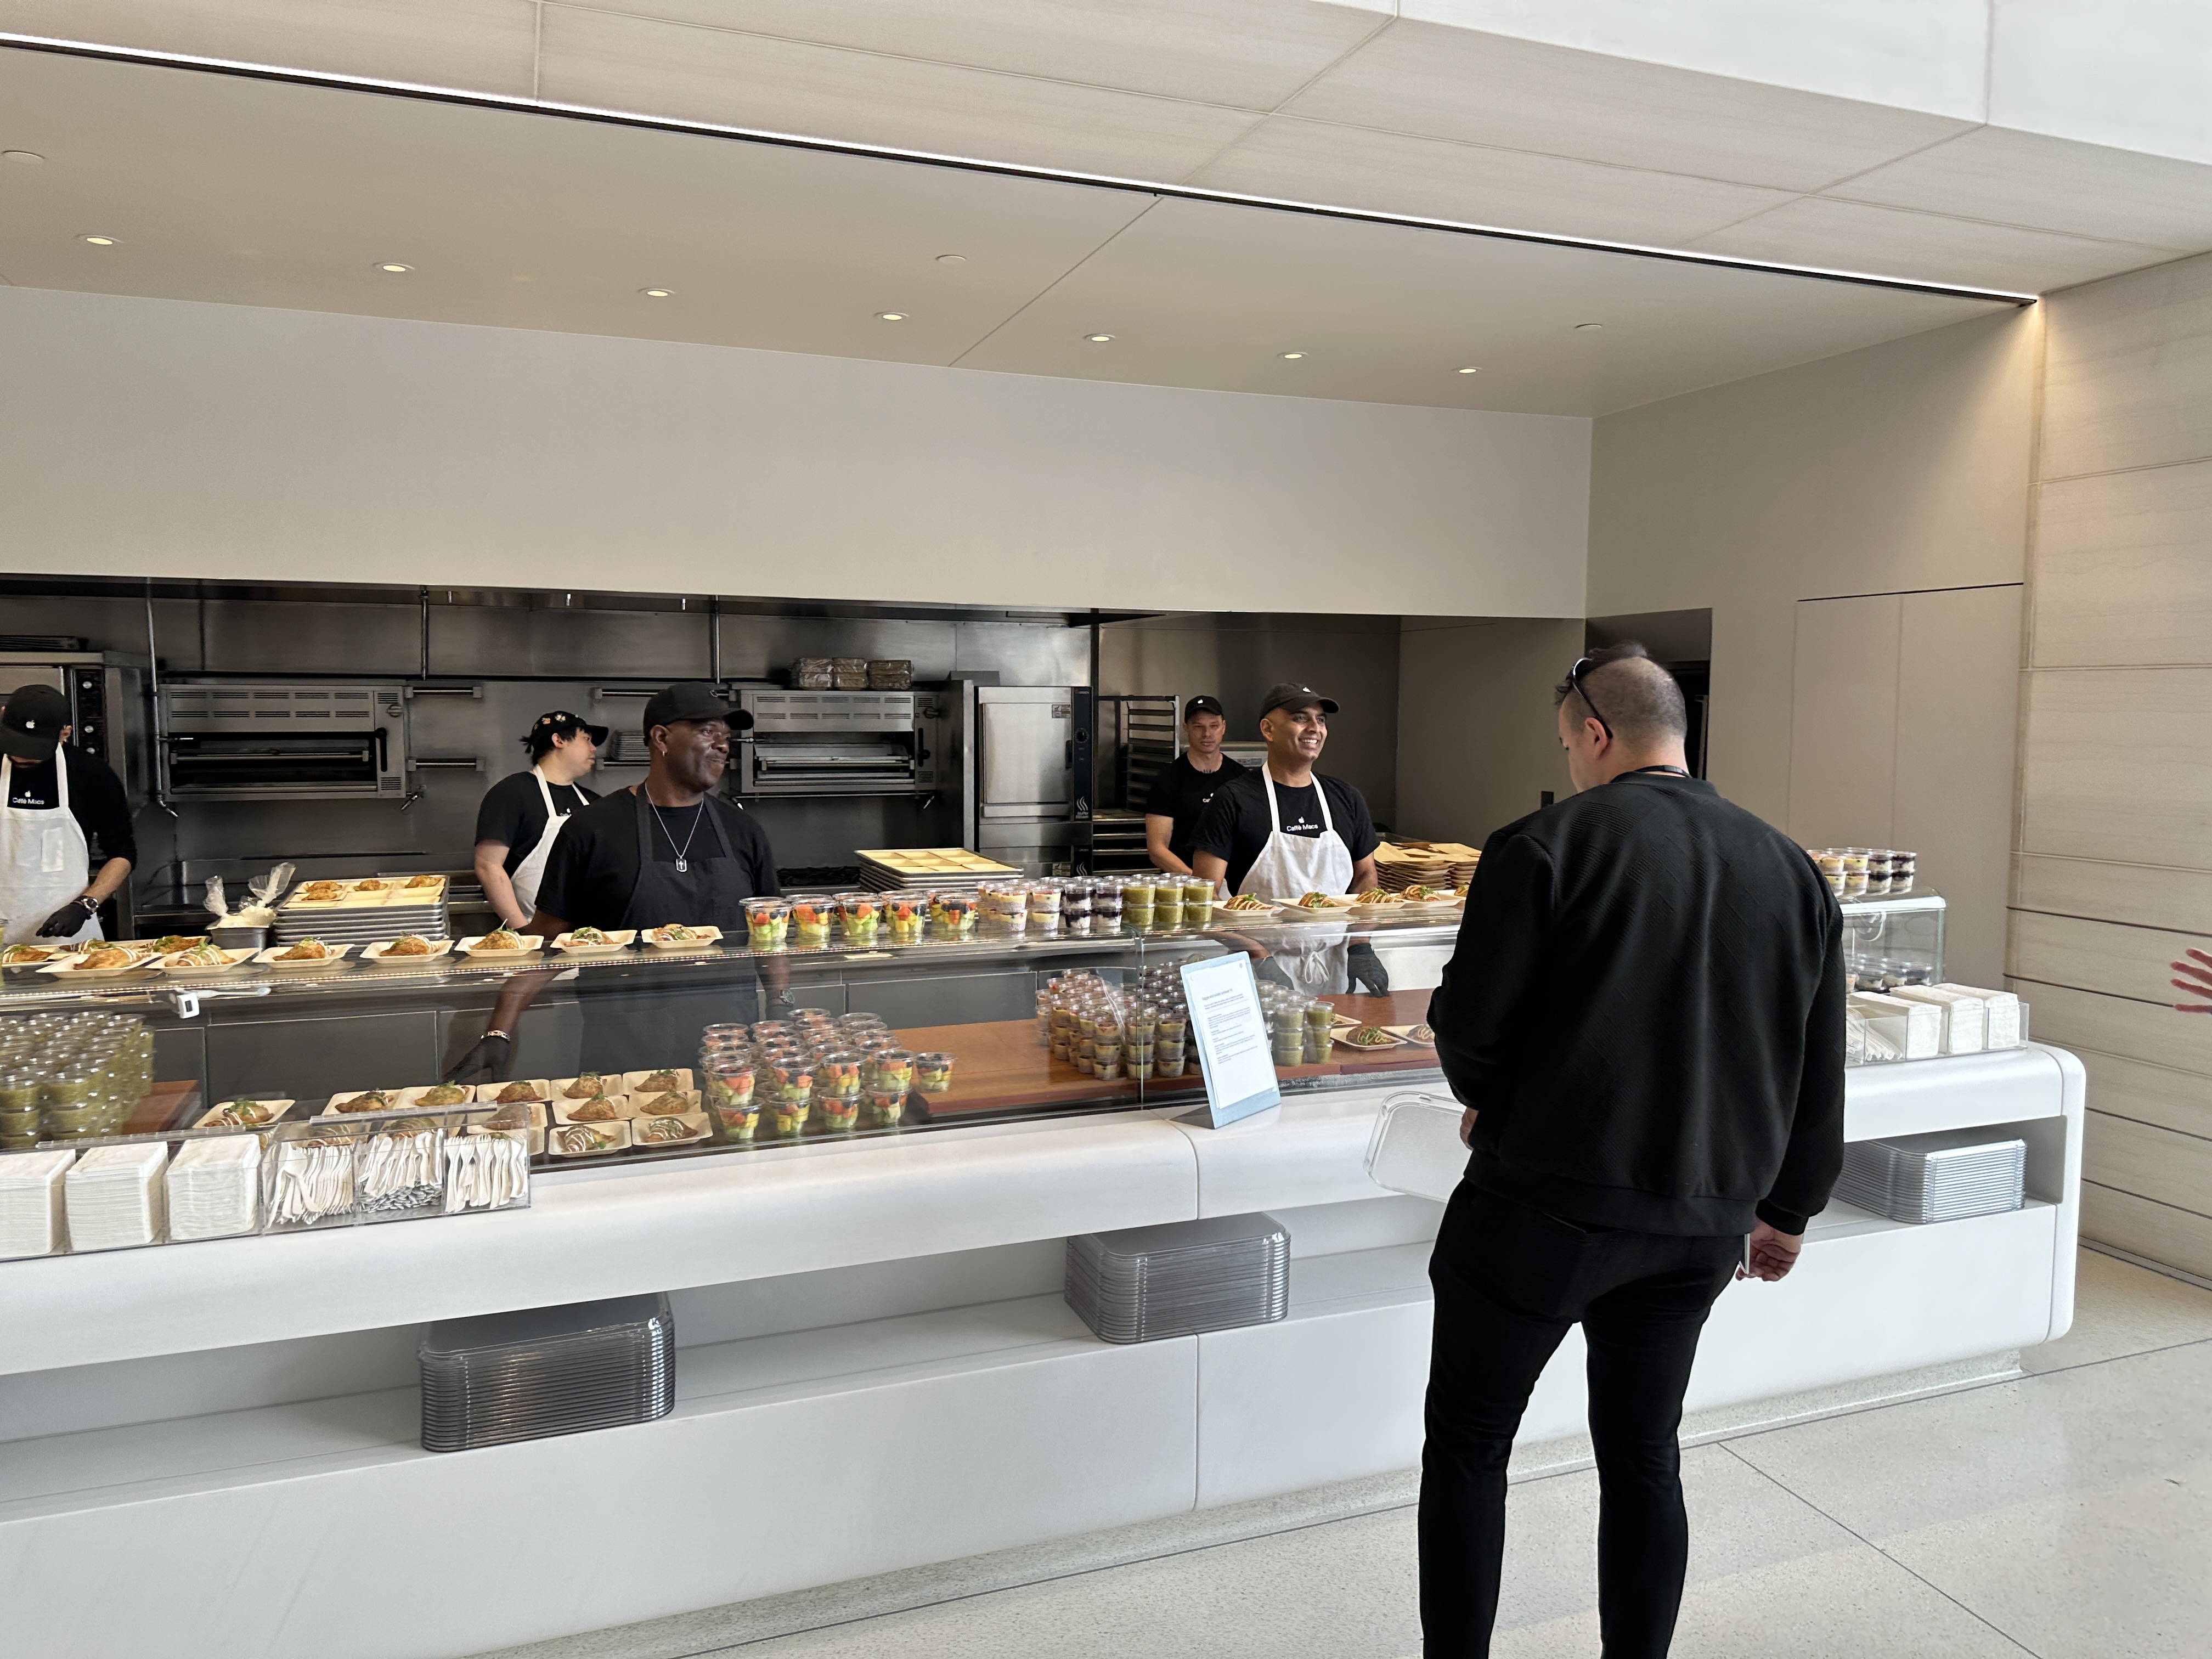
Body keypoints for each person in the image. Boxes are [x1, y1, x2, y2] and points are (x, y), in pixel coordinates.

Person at [1418, 644, 1845, 1659]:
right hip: (1699, 1222)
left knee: (1471, 1445)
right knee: (1645, 1454)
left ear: (1597, 733)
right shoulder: (1790, 866)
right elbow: (1816, 1060)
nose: (1571, 761)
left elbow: (1470, 1026)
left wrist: (1490, 1100)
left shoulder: (1543, 845)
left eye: (1569, 743)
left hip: (1540, 1211)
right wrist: (1788, 1208)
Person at [453, 683, 780, 1081]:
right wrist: (499, 1032)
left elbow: (771, 934)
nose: (722, 745)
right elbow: (547, 943)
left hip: (728, 1050)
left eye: (726, 736)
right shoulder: (592, 829)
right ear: (661, 738)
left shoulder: (743, 830)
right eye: (707, 731)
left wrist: (780, 1006)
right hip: (626, 1048)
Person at [1189, 683, 1379, 898]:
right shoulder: (1232, 800)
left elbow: (1365, 875)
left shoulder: (1347, 798)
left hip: (1336, 921)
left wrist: (1363, 920)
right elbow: (1205, 892)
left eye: (1321, 720)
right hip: (1258, 922)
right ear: (1268, 729)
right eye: (1300, 718)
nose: (1315, 728)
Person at [0, 684, 136, 946]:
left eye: (34, 749)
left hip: (66, 937)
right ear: (3, 715)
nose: (20, 755)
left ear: (65, 733)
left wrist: (85, 905)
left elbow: (122, 854)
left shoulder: (91, 774)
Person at [473, 710, 607, 929]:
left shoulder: (594, 803)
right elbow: (488, 865)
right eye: (587, 739)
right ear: (559, 740)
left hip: (588, 936)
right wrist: (524, 933)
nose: (594, 748)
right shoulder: (512, 793)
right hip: (532, 931)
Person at [1144, 696, 1246, 876]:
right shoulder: (1168, 779)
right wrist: (1198, 882)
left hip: (1231, 883)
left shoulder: (1241, 778)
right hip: (1182, 882)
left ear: (1223, 727)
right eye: (1199, 727)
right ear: (1186, 728)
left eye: (1214, 726)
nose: (1207, 734)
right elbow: (1157, 850)